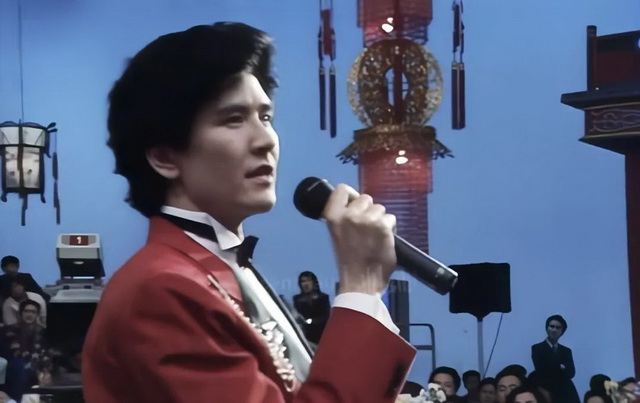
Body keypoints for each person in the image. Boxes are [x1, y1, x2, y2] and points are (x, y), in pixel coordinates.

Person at [82, 22, 416, 402]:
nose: (266, 140)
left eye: (266, 117)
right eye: (234, 119)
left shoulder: (214, 270)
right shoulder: (160, 291)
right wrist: (361, 287)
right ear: (164, 157)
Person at [531, 314, 580, 403]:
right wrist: (561, 367)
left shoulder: (566, 351)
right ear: (547, 328)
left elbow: (571, 373)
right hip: (546, 390)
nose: (554, 330)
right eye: (552, 326)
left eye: (558, 328)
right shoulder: (537, 348)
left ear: (562, 331)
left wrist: (554, 367)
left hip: (566, 391)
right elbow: (541, 372)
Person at [292, 271, 330, 344]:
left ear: (313, 282)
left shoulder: (323, 298)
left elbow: (326, 317)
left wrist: (311, 321)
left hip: (320, 334)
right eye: (303, 281)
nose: (306, 284)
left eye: (308, 281)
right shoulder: (297, 299)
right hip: (304, 335)